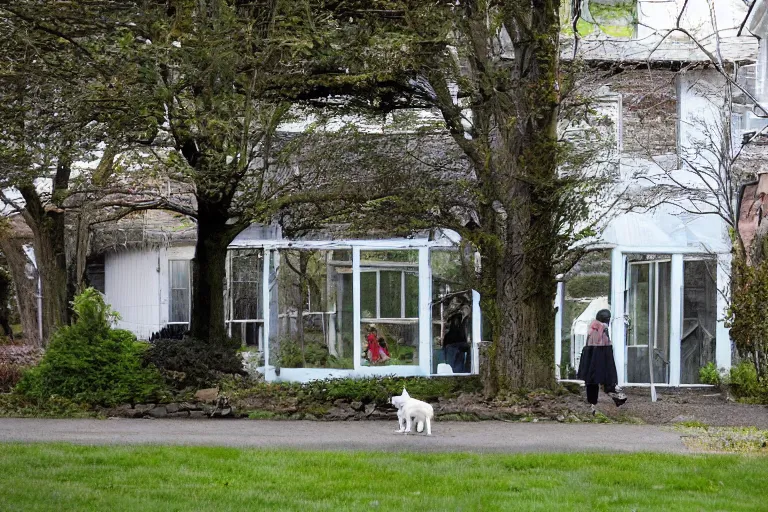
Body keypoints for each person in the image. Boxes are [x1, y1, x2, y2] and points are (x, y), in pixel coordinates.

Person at [577, 309, 627, 415]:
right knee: (599, 379)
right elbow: (598, 344)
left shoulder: (596, 328)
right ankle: (595, 403)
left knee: (595, 380)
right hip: (599, 355)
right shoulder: (599, 329)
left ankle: (594, 404)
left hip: (596, 355)